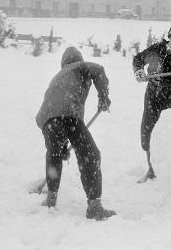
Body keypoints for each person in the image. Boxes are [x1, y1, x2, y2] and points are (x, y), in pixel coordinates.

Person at [35, 46, 115, 220]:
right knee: (90, 155)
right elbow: (99, 70)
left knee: (54, 155)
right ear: (78, 58)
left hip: (47, 119)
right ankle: (94, 205)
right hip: (69, 114)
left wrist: (59, 144)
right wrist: (103, 96)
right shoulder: (80, 66)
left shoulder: (58, 75)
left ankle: (51, 198)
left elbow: (50, 107)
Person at [132, 19, 171, 181]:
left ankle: (168, 172)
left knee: (168, 133)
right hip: (153, 96)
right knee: (148, 130)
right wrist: (139, 72)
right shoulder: (157, 49)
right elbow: (138, 59)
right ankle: (151, 169)